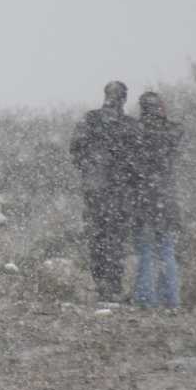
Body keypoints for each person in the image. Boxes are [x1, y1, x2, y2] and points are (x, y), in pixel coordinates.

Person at [69, 81, 133, 301]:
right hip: (119, 191)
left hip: (94, 189)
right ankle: (113, 287)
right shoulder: (129, 125)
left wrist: (88, 168)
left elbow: (75, 148)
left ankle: (101, 285)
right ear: (124, 98)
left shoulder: (90, 118)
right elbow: (138, 158)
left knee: (97, 238)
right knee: (115, 239)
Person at [128, 90, 183, 309]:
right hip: (166, 199)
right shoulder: (172, 131)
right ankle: (171, 300)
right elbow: (177, 134)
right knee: (167, 252)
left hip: (142, 200)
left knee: (145, 252)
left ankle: (145, 299)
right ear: (160, 107)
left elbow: (129, 165)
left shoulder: (135, 132)